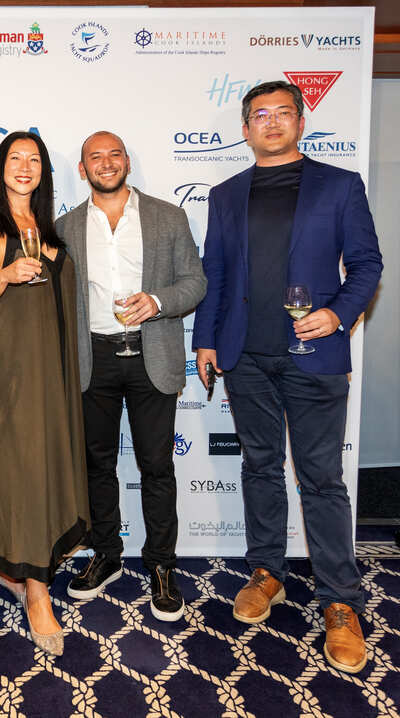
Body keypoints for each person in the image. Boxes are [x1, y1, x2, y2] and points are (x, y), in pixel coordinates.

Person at [192, 80, 382, 673]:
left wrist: (338, 314)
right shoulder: (226, 194)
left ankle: (341, 602)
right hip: (245, 356)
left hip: (314, 355)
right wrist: (205, 339)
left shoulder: (340, 186)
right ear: (245, 129)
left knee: (321, 479)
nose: (271, 122)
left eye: (282, 113)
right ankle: (267, 571)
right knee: (259, 467)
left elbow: (368, 264)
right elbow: (215, 272)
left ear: (300, 122)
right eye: (259, 115)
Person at [57, 131, 207, 621]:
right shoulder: (65, 227)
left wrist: (158, 302)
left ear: (127, 162)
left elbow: (196, 283)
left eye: (114, 154)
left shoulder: (168, 216)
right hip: (92, 358)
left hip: (152, 354)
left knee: (156, 467)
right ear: (83, 170)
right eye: (95, 157)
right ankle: (107, 554)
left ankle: (162, 564)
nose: (106, 163)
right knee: (96, 466)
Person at [0, 131, 90, 656]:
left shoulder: (51, 227)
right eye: (14, 158)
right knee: (25, 468)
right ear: (0, 169)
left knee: (46, 467)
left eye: (33, 159)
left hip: (55, 367)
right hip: (13, 368)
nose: (24, 166)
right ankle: (37, 591)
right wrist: (7, 274)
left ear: (44, 171)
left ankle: (12, 567)